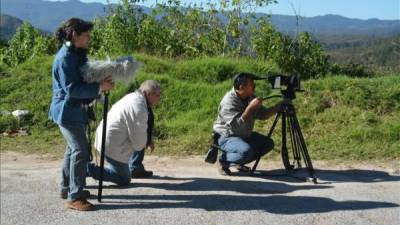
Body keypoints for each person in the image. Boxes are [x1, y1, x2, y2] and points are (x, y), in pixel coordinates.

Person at [49, 18, 113, 211]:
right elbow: (72, 89)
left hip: (74, 111)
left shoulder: (76, 54)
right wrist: (100, 86)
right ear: (75, 35)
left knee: (72, 150)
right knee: (80, 150)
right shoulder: (65, 58)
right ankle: (75, 196)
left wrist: (100, 78)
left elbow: (84, 77)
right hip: (67, 111)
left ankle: (67, 187)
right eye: (86, 35)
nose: (89, 39)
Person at [87, 80, 161, 185]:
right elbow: (139, 143)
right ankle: (84, 169)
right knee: (123, 178)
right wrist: (146, 141)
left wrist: (146, 139)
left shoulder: (133, 97)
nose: (159, 98)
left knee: (124, 173)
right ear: (149, 94)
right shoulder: (139, 107)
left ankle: (81, 168)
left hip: (106, 138)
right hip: (109, 144)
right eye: (157, 95)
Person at [213, 72, 285, 175]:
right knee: (246, 151)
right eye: (252, 84)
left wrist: (278, 106)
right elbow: (237, 126)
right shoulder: (228, 102)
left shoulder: (249, 97)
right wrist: (250, 107)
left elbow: (263, 114)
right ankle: (223, 160)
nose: (255, 87)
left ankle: (237, 161)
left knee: (268, 144)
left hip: (243, 135)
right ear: (242, 86)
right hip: (227, 136)